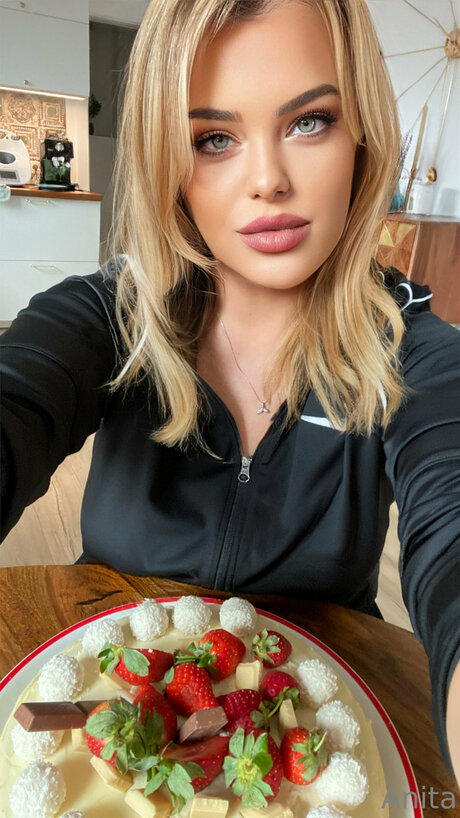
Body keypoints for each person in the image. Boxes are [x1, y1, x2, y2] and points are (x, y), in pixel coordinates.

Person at [1, 0, 459, 784]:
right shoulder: (106, 317)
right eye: (214, 138)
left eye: (309, 121)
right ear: (167, 162)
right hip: (112, 721)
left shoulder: (414, 352)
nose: (268, 181)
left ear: (362, 135)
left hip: (312, 747)